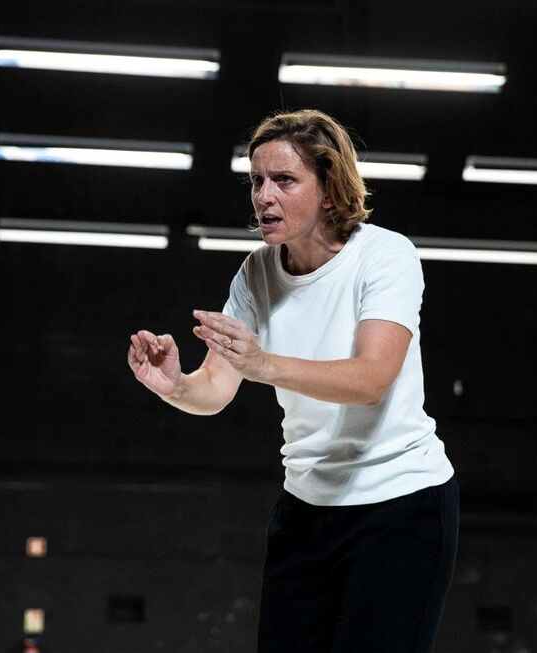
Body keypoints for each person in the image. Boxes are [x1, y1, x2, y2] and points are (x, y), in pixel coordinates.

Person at [127, 109, 458, 653]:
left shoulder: (384, 255)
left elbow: (372, 378)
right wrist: (176, 385)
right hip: (306, 508)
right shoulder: (256, 272)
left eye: (284, 180)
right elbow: (216, 388)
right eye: (256, 180)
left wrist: (263, 364)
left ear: (329, 191)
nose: (264, 197)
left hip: (400, 504)